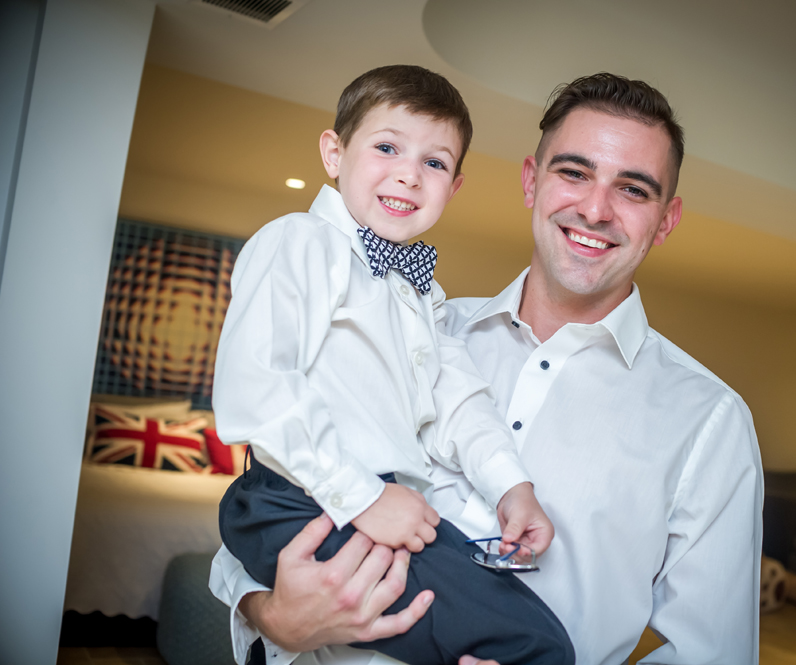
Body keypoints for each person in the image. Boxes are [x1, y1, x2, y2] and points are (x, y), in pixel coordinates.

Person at [211, 72, 764, 665]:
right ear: (531, 181)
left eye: (633, 189)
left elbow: (713, 654)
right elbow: (261, 496)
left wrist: (513, 488)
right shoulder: (426, 316)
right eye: (574, 172)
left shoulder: (711, 421)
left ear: (667, 218)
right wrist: (276, 618)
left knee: (543, 649)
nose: (596, 208)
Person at [212, 64, 574, 665]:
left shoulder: (423, 294)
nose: (409, 173)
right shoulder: (298, 241)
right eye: (387, 147)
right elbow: (258, 393)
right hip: (304, 499)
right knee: (534, 646)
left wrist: (514, 488)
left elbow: (459, 402)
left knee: (528, 632)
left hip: (382, 510)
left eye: (434, 162)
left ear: (454, 187)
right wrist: (364, 498)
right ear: (334, 153)